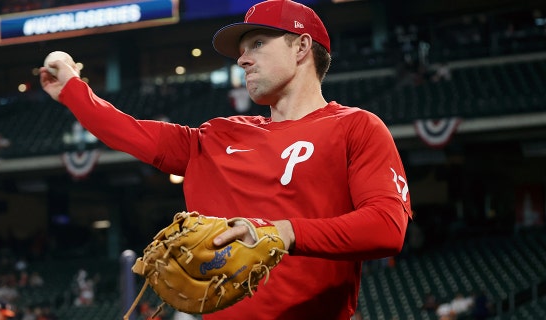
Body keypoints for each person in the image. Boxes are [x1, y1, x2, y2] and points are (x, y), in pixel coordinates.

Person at [40, 0, 412, 319]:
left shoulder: (356, 127)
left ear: (301, 47)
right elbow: (128, 131)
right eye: (241, 51)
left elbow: (386, 228)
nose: (243, 59)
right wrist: (72, 88)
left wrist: (283, 232)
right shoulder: (219, 135)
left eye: (258, 44)